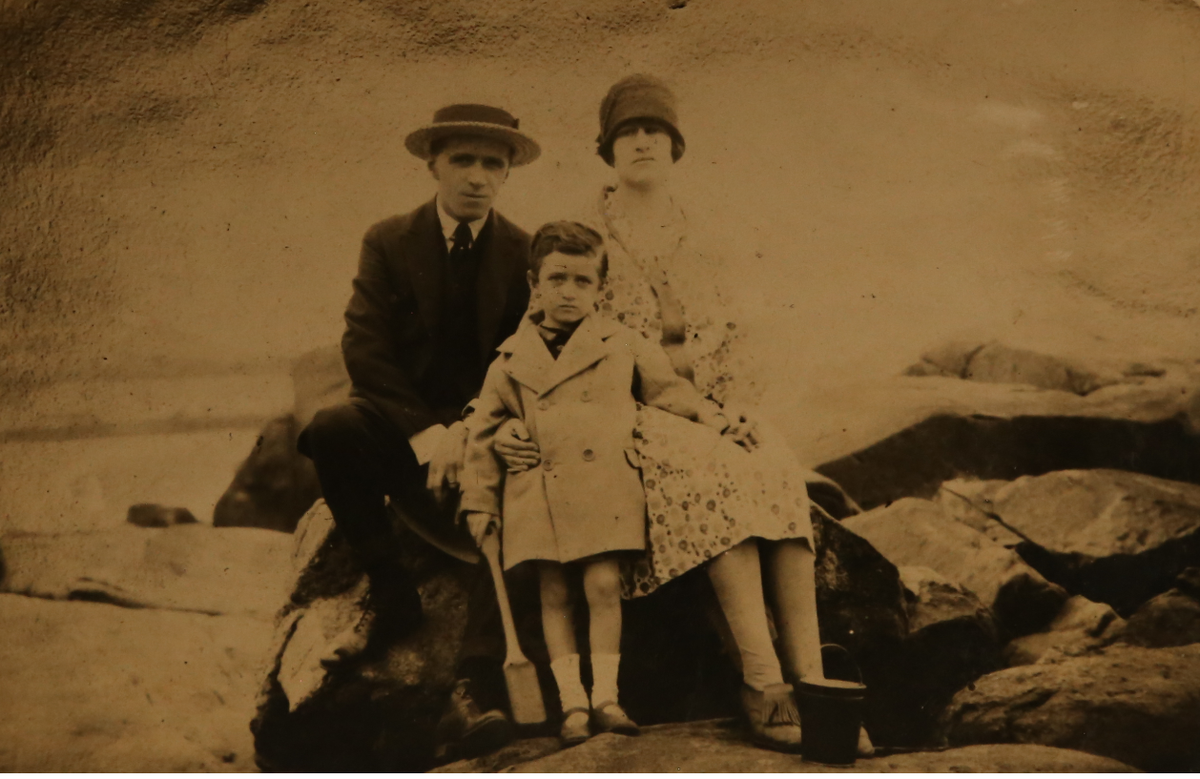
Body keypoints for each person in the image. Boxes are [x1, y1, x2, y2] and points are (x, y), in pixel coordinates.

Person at [492, 75, 874, 755]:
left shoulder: (706, 232)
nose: (642, 143)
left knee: (777, 474)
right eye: (627, 134)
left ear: (675, 148)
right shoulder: (583, 235)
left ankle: (815, 685)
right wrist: (509, 422)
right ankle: (763, 682)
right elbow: (536, 338)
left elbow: (740, 339)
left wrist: (738, 412)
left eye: (656, 133)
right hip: (628, 413)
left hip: (710, 406)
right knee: (719, 486)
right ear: (607, 151)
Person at [297, 103, 543, 762]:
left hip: (485, 431)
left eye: (494, 163)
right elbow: (366, 352)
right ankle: (391, 588)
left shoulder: (525, 253)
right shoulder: (387, 240)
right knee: (333, 428)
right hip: (408, 431)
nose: (477, 177)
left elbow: (523, 359)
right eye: (463, 159)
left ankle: (472, 684)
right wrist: (431, 437)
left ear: (509, 172)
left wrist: (472, 427)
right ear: (432, 163)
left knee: (524, 503)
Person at [460, 221, 731, 746]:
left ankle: (606, 695)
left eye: (583, 281)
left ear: (600, 290)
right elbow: (485, 432)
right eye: (556, 278)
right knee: (555, 594)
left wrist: (713, 418)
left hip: (605, 485)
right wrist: (479, 502)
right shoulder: (510, 359)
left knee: (605, 586)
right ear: (534, 285)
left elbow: (669, 391)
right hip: (538, 493)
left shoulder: (622, 342)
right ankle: (572, 705)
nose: (568, 291)